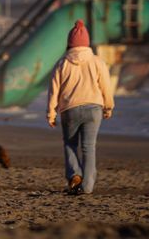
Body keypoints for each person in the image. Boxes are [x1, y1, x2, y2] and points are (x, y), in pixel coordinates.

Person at [46, 19, 114, 195]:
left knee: (70, 144)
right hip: (94, 108)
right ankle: (88, 187)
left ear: (69, 43)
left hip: (69, 109)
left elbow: (54, 89)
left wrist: (51, 113)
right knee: (89, 147)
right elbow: (106, 85)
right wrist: (109, 106)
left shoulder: (62, 64)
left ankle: (75, 174)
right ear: (87, 43)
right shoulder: (98, 62)